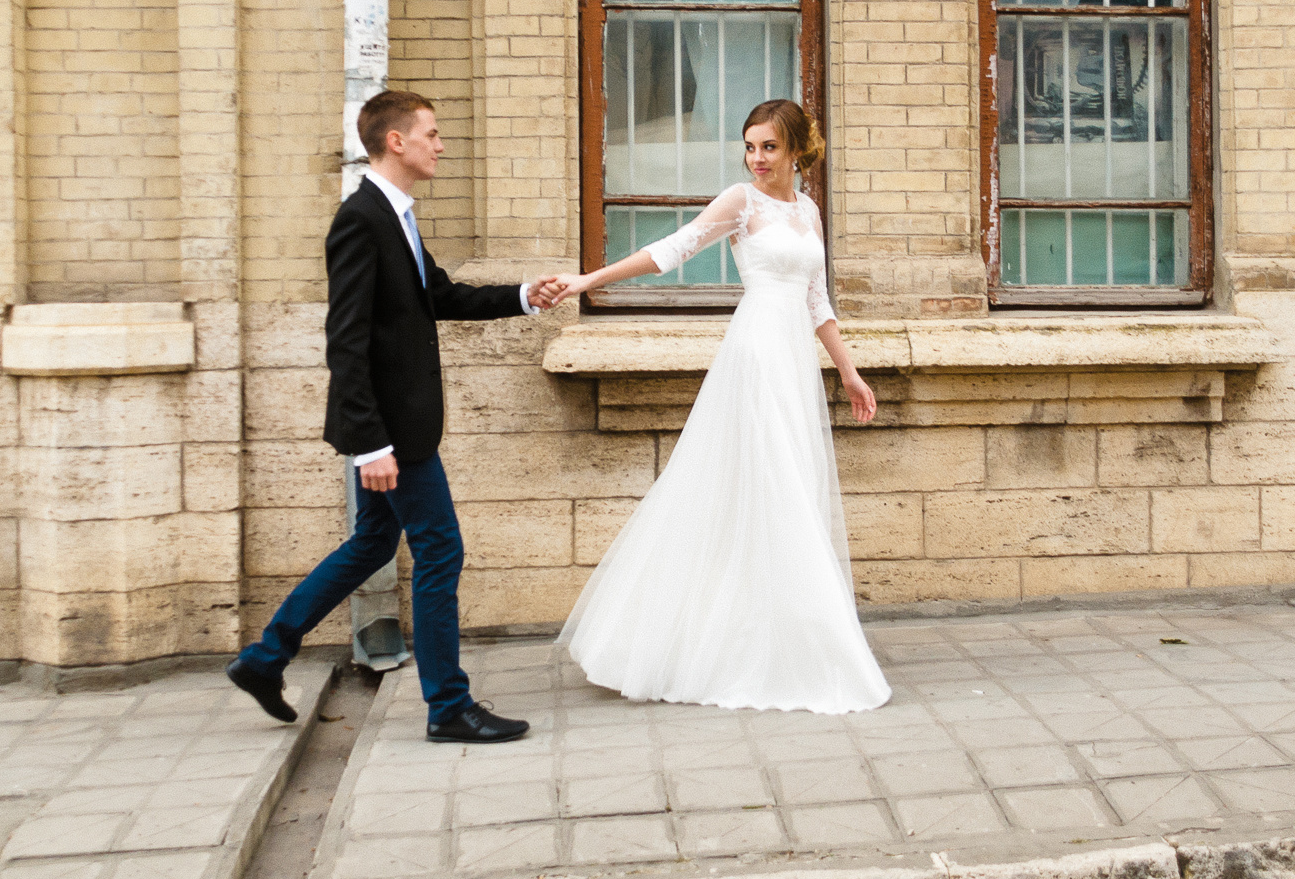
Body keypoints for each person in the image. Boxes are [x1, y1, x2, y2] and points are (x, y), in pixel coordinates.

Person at [227, 90, 566, 743]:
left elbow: (438, 296)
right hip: (391, 431)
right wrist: (371, 443)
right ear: (396, 142)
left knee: (372, 543)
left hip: (393, 427)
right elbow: (346, 341)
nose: (441, 145)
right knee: (441, 548)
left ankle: (265, 658)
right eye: (431, 134)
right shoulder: (361, 220)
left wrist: (525, 295)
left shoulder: (398, 217)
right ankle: (447, 707)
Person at [541, 100, 890, 713]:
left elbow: (818, 300)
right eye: (750, 147)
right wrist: (585, 282)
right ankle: (756, 646)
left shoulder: (807, 210)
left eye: (770, 148)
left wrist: (850, 373)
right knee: (765, 483)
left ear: (798, 150)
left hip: (793, 364)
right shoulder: (740, 201)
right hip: (755, 354)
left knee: (790, 487)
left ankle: (778, 636)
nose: (757, 159)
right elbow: (669, 250)